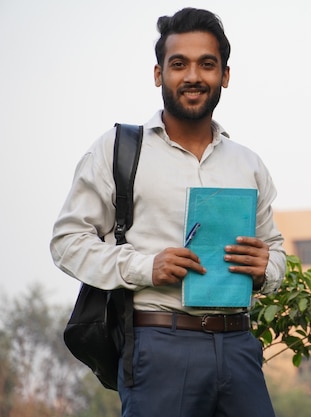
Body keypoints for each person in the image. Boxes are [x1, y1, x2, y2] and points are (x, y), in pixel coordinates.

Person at [50, 7, 286, 417]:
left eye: (207, 64)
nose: (193, 76)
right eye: (179, 64)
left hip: (239, 347)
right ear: (159, 74)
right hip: (160, 346)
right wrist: (147, 267)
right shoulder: (119, 149)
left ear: (225, 77)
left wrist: (268, 267)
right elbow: (67, 242)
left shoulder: (248, 164)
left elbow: (276, 250)